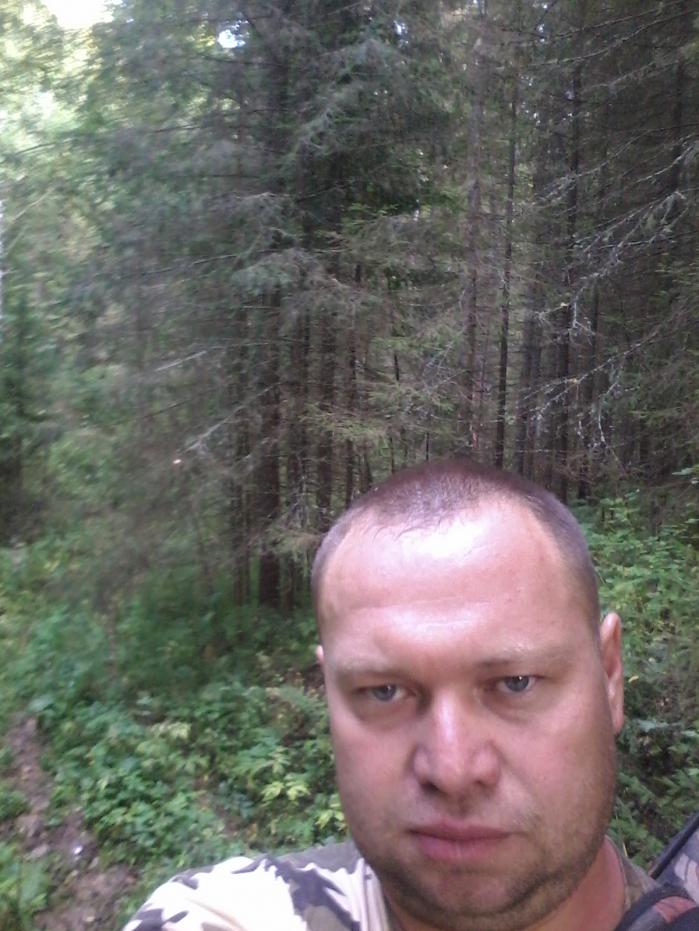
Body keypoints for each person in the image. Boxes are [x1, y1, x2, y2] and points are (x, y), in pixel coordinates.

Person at [123, 458, 699, 931]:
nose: (451, 769)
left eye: (515, 683)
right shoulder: (229, 916)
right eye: (384, 691)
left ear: (609, 677)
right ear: (330, 695)